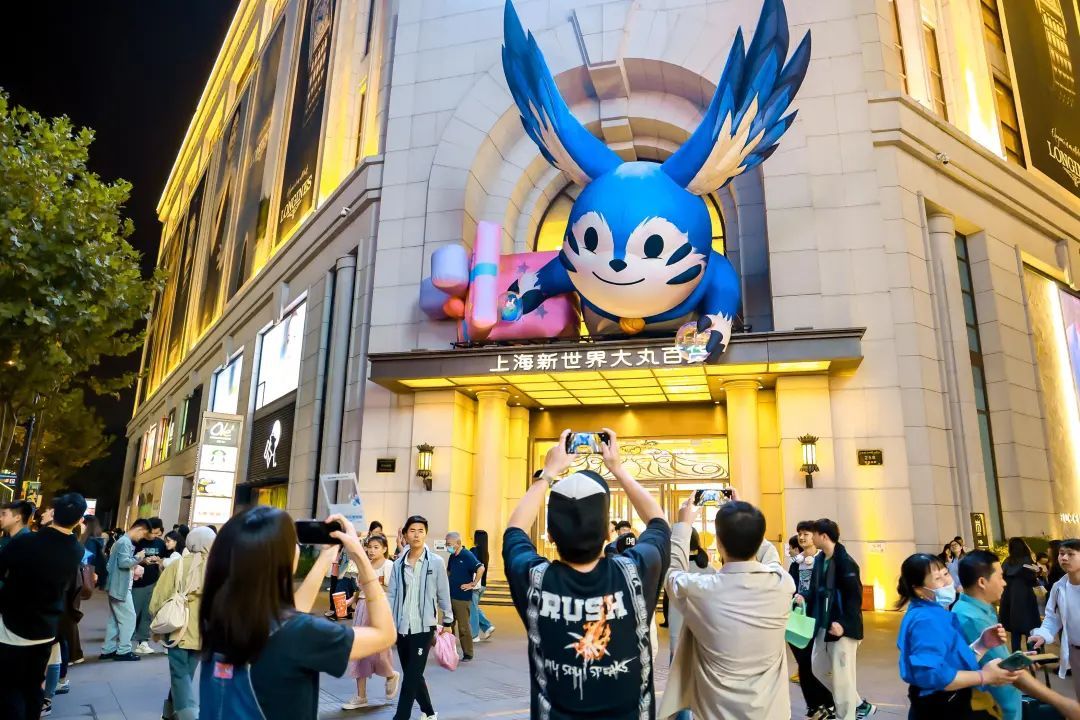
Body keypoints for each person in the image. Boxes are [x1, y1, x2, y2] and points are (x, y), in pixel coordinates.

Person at [504, 428, 671, 719]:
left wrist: (548, 474)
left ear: (550, 536)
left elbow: (514, 530)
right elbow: (658, 523)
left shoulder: (536, 580)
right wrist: (618, 469)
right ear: (608, 533)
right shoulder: (633, 572)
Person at [199, 508, 395, 720]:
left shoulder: (219, 618)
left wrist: (327, 555)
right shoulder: (300, 634)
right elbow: (384, 634)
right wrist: (359, 556)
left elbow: (292, 616)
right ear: (280, 559)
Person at [659, 496, 792, 720]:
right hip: (771, 712)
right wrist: (745, 515)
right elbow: (771, 558)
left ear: (719, 544)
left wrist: (683, 525)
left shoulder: (700, 591)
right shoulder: (782, 584)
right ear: (759, 540)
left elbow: (671, 573)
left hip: (715, 713)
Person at [954, 549, 1080, 719]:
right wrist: (1063, 704)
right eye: (1000, 577)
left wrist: (1015, 660)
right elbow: (1007, 672)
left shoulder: (979, 609)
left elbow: (994, 660)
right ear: (982, 582)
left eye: (1070, 554)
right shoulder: (973, 618)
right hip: (998, 708)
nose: (1004, 583)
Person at [895, 552, 1020, 718]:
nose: (947, 582)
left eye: (946, 574)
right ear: (918, 590)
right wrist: (985, 676)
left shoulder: (935, 613)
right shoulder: (926, 620)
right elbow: (934, 674)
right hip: (940, 709)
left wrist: (981, 645)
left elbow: (950, 661)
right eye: (937, 578)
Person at [0, 493, 87, 720]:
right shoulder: (76, 550)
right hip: (46, 627)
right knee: (33, 684)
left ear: (54, 513)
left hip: (13, 624)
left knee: (9, 686)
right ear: (79, 520)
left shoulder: (27, 541)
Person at [800, 519, 874, 720]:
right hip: (823, 625)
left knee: (842, 678)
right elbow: (815, 590)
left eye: (813, 534)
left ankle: (847, 715)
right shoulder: (819, 560)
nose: (810, 537)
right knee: (818, 668)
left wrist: (843, 624)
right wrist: (802, 596)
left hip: (843, 629)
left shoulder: (845, 562)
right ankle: (858, 704)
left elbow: (854, 598)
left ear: (823, 536)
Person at [386, 515, 454, 720]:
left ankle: (401, 717)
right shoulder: (398, 564)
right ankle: (430, 713)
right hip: (401, 627)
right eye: (412, 531)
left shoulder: (435, 562)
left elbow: (443, 592)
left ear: (426, 534)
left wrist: (448, 620)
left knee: (411, 677)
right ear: (405, 535)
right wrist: (388, 622)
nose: (416, 535)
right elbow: (392, 595)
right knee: (413, 674)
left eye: (420, 531)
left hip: (424, 627)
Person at [149, 526, 215, 720]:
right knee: (186, 674)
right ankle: (170, 713)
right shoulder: (219, 567)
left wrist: (155, 619)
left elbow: (158, 598)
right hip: (204, 630)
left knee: (179, 674)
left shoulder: (178, 565)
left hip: (178, 628)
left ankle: (188, 715)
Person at [342, 533, 400, 710]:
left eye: (376, 547)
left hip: (378, 609)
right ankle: (361, 696)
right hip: (362, 607)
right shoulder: (364, 564)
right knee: (359, 649)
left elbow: (393, 590)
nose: (372, 551)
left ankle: (390, 675)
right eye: (370, 547)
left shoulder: (389, 565)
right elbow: (359, 588)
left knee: (379, 649)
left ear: (384, 549)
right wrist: (351, 600)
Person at [664, 524, 712, 719]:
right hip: (706, 640)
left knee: (680, 694)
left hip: (679, 640)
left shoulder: (675, 574)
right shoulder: (710, 570)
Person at [790, 520, 833, 719]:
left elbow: (823, 589)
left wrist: (805, 596)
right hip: (798, 619)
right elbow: (791, 586)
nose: (802, 537)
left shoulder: (822, 561)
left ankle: (827, 702)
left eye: (806, 534)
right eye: (800, 533)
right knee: (804, 664)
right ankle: (814, 705)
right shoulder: (795, 563)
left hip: (817, 619)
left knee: (817, 663)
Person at [1031, 539, 1080, 699]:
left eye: (1070, 554)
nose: (1064, 558)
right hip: (1075, 651)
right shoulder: (1059, 587)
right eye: (1061, 553)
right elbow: (1053, 617)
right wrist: (1043, 634)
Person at [102, 518, 151, 661]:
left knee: (115, 620)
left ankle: (108, 649)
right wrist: (138, 557)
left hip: (115, 585)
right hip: (120, 587)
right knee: (129, 618)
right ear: (139, 529)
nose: (141, 538)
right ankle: (123, 650)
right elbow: (124, 563)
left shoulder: (122, 541)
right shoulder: (125, 542)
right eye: (143, 534)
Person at [444, 531, 483, 661]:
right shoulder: (453, 556)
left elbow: (481, 568)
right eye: (446, 544)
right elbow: (449, 571)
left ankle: (468, 653)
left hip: (462, 597)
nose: (447, 546)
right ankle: (449, 651)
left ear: (458, 543)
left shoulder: (467, 555)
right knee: (448, 624)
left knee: (463, 626)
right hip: (450, 595)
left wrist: (473, 584)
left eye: (449, 544)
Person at [999, 537, 1042, 651]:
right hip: (1027, 598)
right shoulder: (1028, 561)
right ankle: (1033, 655)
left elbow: (1001, 576)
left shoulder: (1008, 562)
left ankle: (1016, 655)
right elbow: (1033, 578)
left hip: (1011, 599)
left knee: (1015, 631)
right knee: (1030, 629)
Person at [132, 516, 167, 654]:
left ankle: (143, 640)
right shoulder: (138, 541)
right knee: (133, 612)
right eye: (152, 532)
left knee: (148, 613)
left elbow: (164, 559)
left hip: (153, 582)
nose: (154, 535)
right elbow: (129, 560)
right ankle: (126, 640)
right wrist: (142, 561)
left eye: (157, 533)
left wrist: (159, 561)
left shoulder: (160, 543)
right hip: (137, 582)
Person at [469, 529, 495, 642]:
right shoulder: (486, 553)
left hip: (475, 584)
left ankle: (475, 635)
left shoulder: (473, 551)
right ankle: (487, 627)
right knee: (474, 607)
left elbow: (471, 566)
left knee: (472, 610)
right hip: (483, 584)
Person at [81, 515, 108, 590]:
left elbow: (86, 561)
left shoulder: (89, 542)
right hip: (91, 575)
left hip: (84, 576)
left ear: (86, 526)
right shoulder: (97, 541)